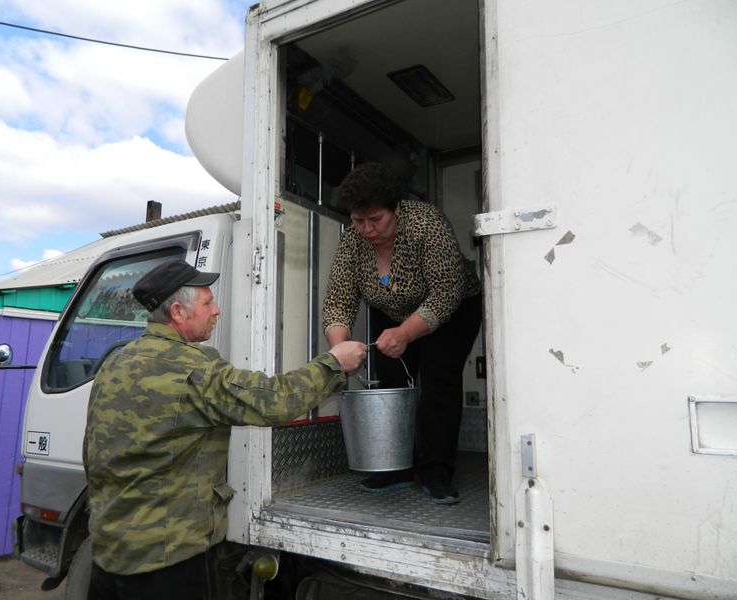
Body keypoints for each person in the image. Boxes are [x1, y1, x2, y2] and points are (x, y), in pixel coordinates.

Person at [83, 258, 367, 600]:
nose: (216, 310)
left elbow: (92, 452)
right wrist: (334, 363)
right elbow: (274, 401)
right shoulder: (191, 368)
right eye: (207, 302)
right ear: (177, 312)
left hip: (109, 553)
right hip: (169, 561)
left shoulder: (116, 361)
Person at [323, 162, 483, 505]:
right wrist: (339, 353)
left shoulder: (426, 223)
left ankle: (436, 472)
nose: (366, 229)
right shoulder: (353, 240)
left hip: (451, 309)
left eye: (375, 220)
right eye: (358, 220)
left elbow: (445, 292)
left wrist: (407, 333)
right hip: (392, 309)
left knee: (439, 382)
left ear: (396, 208)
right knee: (391, 378)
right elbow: (339, 300)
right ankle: (395, 467)